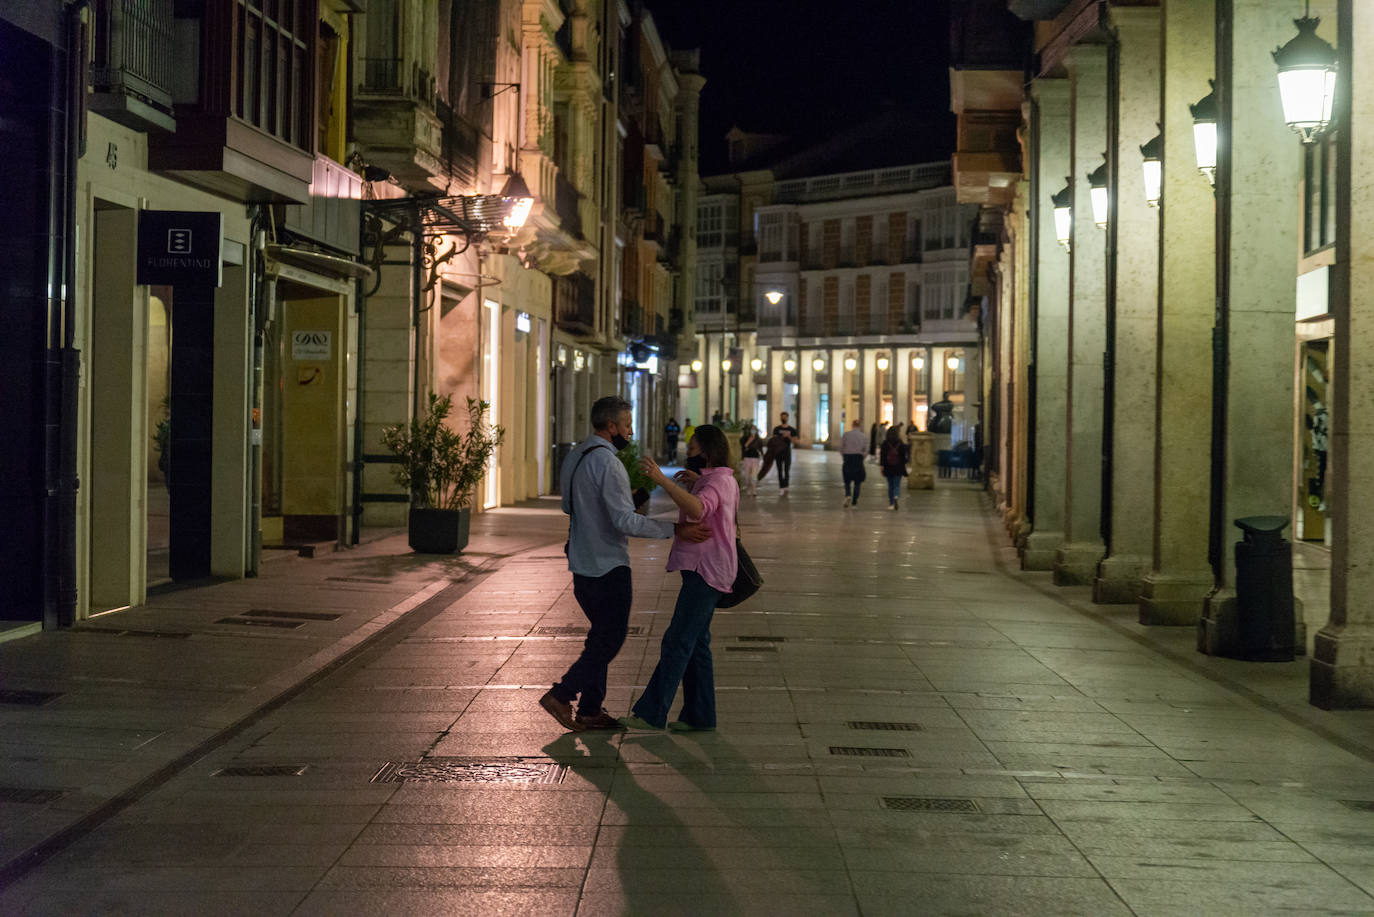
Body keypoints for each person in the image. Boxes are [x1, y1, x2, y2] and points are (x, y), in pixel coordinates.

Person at [541, 396, 707, 732]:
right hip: (608, 565)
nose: (631, 431)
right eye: (627, 424)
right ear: (612, 426)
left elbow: (569, 507)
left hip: (581, 562)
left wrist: (621, 503)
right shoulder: (608, 463)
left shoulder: (575, 456)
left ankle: (589, 710)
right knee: (610, 638)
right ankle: (562, 694)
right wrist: (675, 529)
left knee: (599, 637)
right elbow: (624, 522)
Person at [620, 425, 739, 731]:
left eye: (694, 448)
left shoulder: (718, 482)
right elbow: (707, 502)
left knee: (678, 641)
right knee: (696, 643)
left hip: (707, 571)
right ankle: (700, 716)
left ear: (708, 452)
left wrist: (662, 481)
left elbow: (700, 510)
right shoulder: (718, 479)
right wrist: (698, 482)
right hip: (707, 568)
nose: (690, 452)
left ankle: (651, 713)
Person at [879, 425, 910, 510]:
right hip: (898, 467)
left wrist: (882, 466)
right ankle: (896, 496)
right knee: (897, 485)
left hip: (888, 467)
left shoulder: (885, 443)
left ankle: (891, 504)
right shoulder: (900, 442)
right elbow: (904, 456)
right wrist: (904, 464)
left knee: (890, 485)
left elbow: (882, 456)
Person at [771, 411, 801, 494]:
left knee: (787, 470)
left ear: (787, 418)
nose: (783, 418)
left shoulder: (792, 429)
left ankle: (786, 485)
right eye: (782, 417)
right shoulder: (776, 429)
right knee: (779, 470)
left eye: (785, 417)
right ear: (780, 418)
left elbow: (796, 441)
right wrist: (781, 437)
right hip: (778, 452)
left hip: (787, 452)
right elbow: (774, 440)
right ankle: (781, 486)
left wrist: (789, 436)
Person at [839, 419, 867, 507]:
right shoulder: (863, 436)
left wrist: (844, 456)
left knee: (847, 479)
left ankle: (848, 495)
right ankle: (854, 501)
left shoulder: (846, 434)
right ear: (860, 426)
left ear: (852, 425)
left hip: (848, 457)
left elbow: (840, 447)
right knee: (857, 481)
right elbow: (866, 450)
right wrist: (862, 458)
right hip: (858, 458)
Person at [739, 423, 762, 496]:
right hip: (747, 458)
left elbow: (760, 449)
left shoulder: (758, 439)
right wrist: (749, 441)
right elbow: (743, 447)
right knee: (747, 476)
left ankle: (754, 490)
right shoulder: (744, 438)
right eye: (752, 430)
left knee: (754, 475)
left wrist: (762, 456)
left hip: (755, 458)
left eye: (754, 429)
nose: (753, 431)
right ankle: (748, 488)